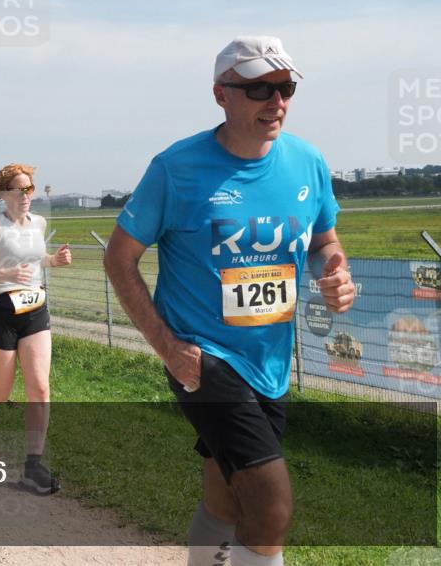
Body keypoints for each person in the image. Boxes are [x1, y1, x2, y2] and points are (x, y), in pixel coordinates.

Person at [104, 36, 356, 566]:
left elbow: (324, 241)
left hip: (269, 360)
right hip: (203, 357)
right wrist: (167, 347)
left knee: (224, 490)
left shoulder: (307, 161)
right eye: (259, 88)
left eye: (285, 87)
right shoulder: (176, 168)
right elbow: (119, 258)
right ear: (222, 95)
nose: (276, 101)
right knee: (271, 506)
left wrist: (335, 273)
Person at [0, 163, 71, 495]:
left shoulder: (39, 222)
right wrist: (4, 274)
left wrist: (56, 260)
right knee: (2, 390)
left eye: (29, 189)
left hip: (35, 309)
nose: (25, 196)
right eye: (17, 189)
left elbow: (38, 260)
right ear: (2, 194)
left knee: (39, 388)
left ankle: (32, 467)